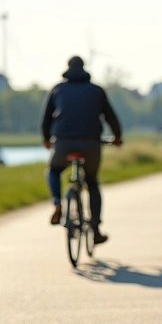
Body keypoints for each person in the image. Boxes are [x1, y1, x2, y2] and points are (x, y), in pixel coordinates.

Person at [41, 55, 123, 242]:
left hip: (62, 142)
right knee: (92, 182)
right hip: (91, 143)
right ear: (84, 68)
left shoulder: (57, 89)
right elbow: (111, 117)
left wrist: (47, 139)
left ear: (67, 68)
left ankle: (57, 203)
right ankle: (95, 230)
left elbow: (46, 118)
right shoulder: (96, 91)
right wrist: (117, 138)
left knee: (53, 170)